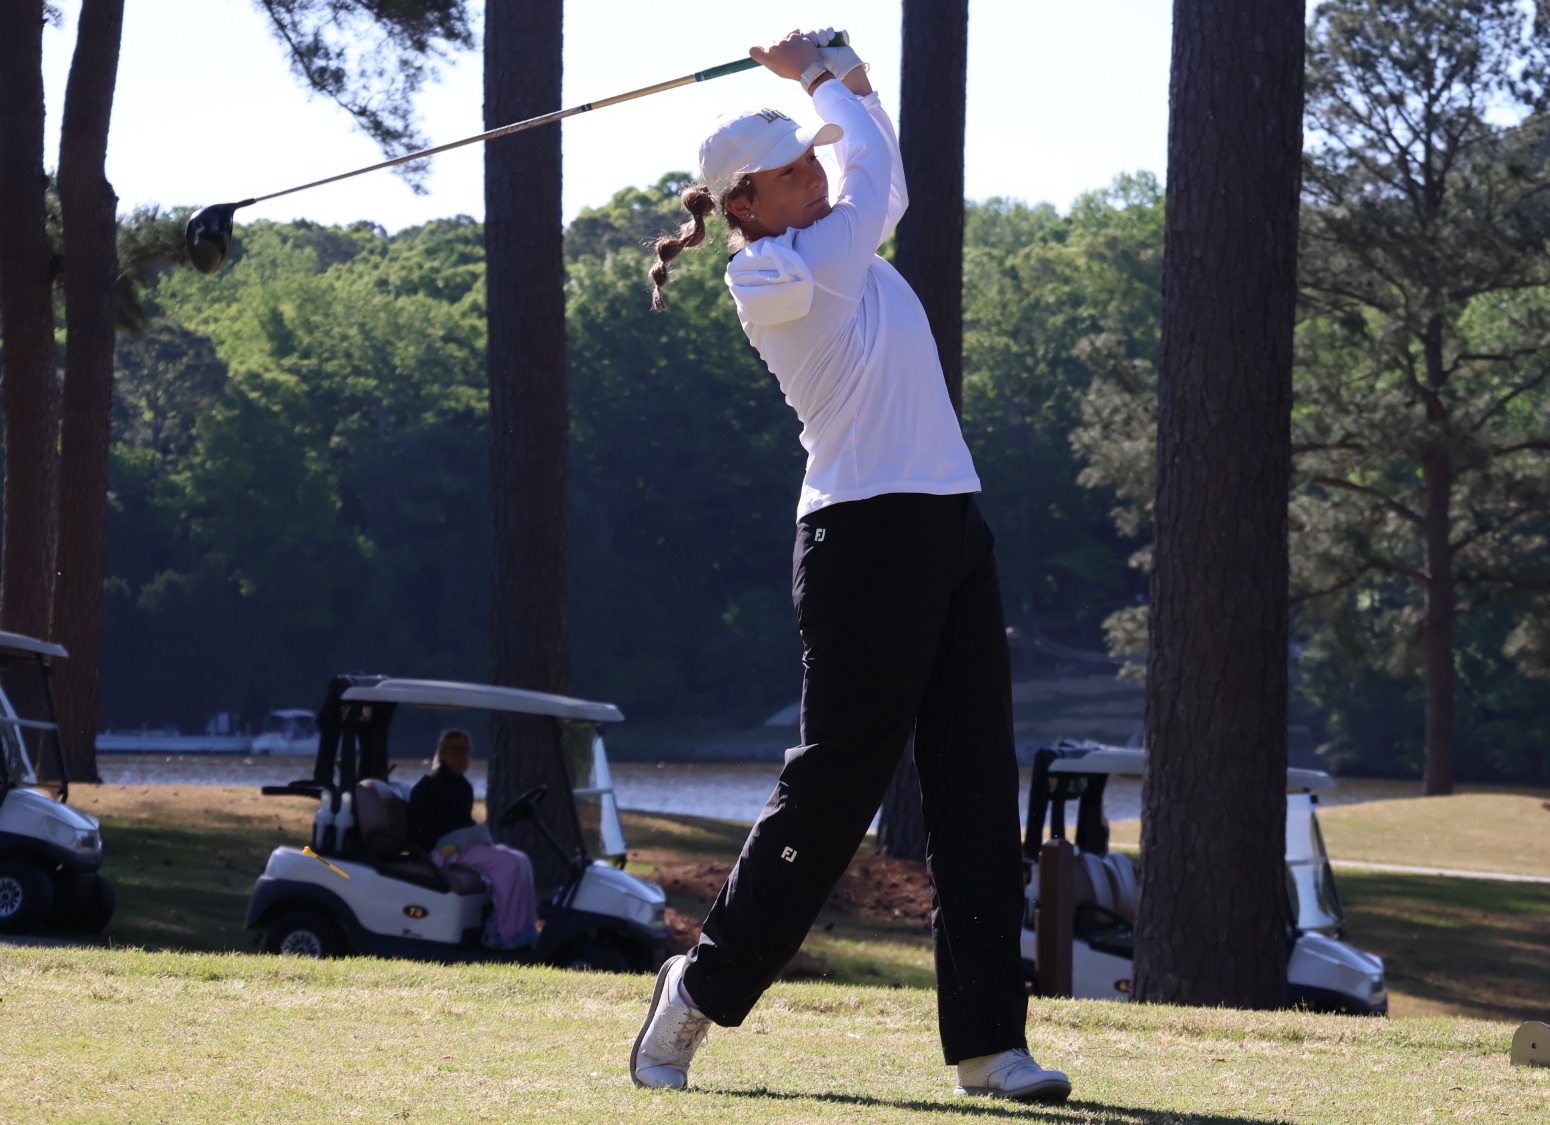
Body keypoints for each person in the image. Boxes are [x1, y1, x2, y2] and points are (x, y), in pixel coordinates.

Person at [627, 27, 1070, 1104]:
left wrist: (839, 70)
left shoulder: (833, 244)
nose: (813, 170)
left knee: (972, 794)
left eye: (807, 154)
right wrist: (820, 72)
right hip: (862, 540)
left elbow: (876, 165)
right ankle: (695, 991)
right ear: (741, 205)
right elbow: (879, 169)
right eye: (788, 168)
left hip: (948, 527)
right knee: (832, 798)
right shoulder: (778, 275)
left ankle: (987, 1047)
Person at [407, 729, 538, 950]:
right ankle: (502, 935)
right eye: (456, 750)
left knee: (521, 860)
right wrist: (453, 841)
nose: (462, 756)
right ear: (443, 752)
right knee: (508, 865)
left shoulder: (464, 787)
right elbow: (421, 833)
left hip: (460, 847)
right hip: (439, 852)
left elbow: (464, 823)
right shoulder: (428, 786)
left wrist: (470, 837)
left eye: (466, 751)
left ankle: (522, 932)